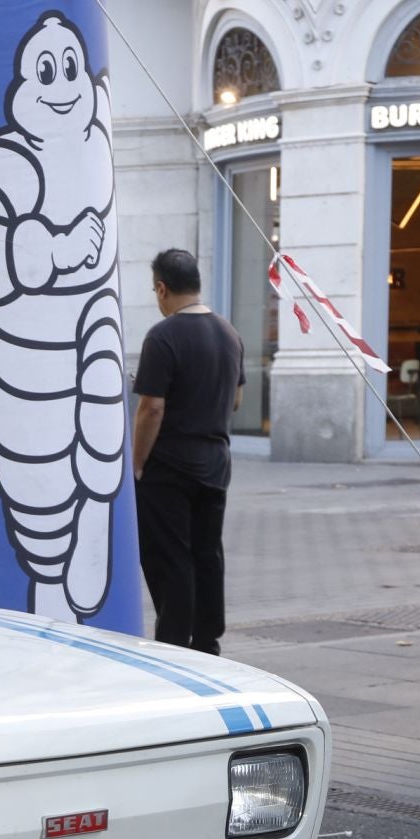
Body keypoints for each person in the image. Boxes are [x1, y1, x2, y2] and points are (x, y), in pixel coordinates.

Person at [131, 248, 244, 656]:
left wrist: (137, 463)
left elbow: (151, 408)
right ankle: (208, 641)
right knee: (208, 552)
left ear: (162, 288)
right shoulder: (229, 333)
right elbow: (236, 400)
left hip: (170, 468)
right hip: (215, 463)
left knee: (171, 557)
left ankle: (175, 644)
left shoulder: (163, 336)